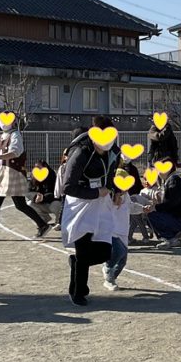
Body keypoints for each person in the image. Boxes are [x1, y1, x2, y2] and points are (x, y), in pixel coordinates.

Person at [60, 116, 119, 306]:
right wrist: (95, 192)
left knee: (105, 252)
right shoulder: (81, 153)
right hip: (80, 206)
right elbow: (68, 187)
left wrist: (115, 192)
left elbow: (111, 177)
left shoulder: (114, 152)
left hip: (102, 205)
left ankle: (77, 261)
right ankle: (78, 292)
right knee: (84, 249)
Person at [0, 116, 49, 240]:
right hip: (3, 173)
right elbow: (3, 158)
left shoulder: (16, 135)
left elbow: (14, 153)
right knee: (4, 203)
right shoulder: (0, 137)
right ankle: (42, 225)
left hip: (13, 173)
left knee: (14, 204)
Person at [149, 163, 181, 249]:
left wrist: (155, 207)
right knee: (155, 212)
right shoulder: (172, 180)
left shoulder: (173, 181)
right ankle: (179, 234)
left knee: (151, 215)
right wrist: (159, 201)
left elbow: (173, 202)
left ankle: (171, 238)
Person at [28, 160, 61, 226]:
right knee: (29, 204)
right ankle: (44, 219)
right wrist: (35, 196)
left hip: (52, 201)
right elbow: (28, 191)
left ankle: (59, 221)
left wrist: (43, 197)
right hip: (41, 202)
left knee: (56, 205)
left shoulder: (52, 176)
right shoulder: (33, 176)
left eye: (39, 167)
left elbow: (56, 192)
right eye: (36, 167)